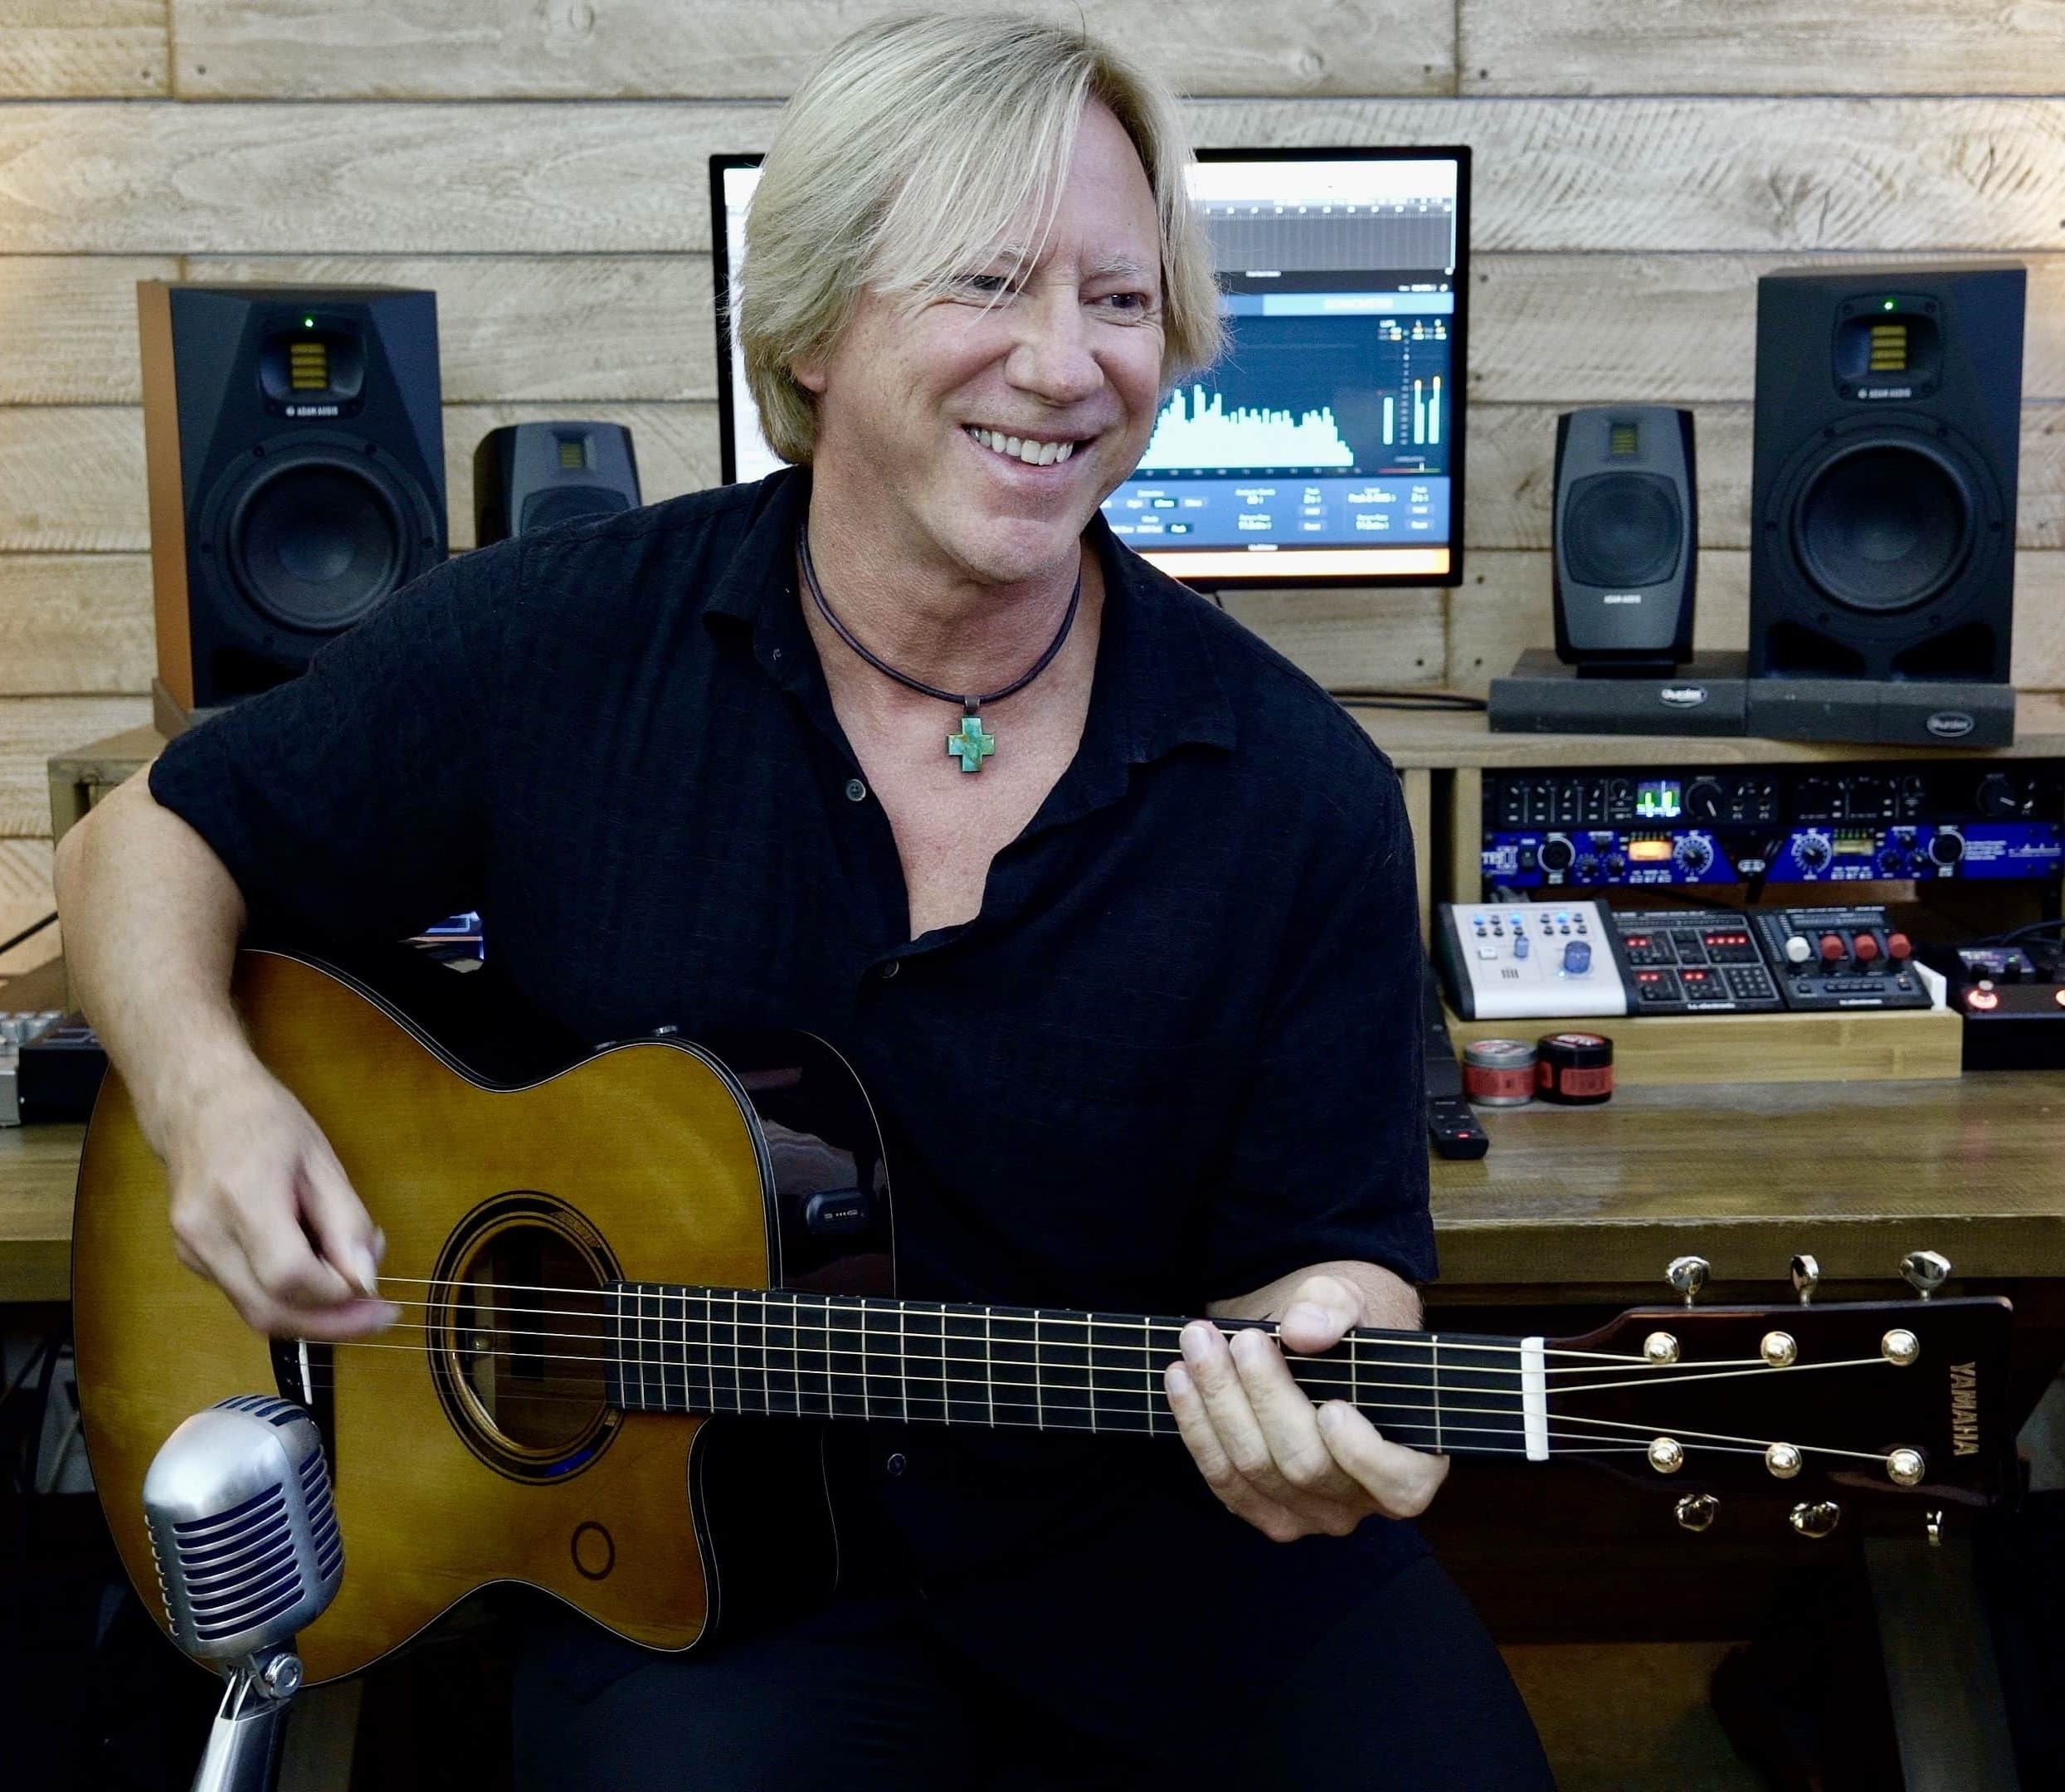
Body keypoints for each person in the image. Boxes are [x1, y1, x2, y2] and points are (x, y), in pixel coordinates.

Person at [56, 14, 1554, 1788]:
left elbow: (1338, 1249)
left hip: (1164, 1556)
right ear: (812, 327)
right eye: (986, 281)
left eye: (1121, 299)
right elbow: (145, 839)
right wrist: (211, 1099)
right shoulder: (554, 643)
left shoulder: (1300, 791)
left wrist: (1335, 1377)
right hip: (699, 1576)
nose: (1065, 364)